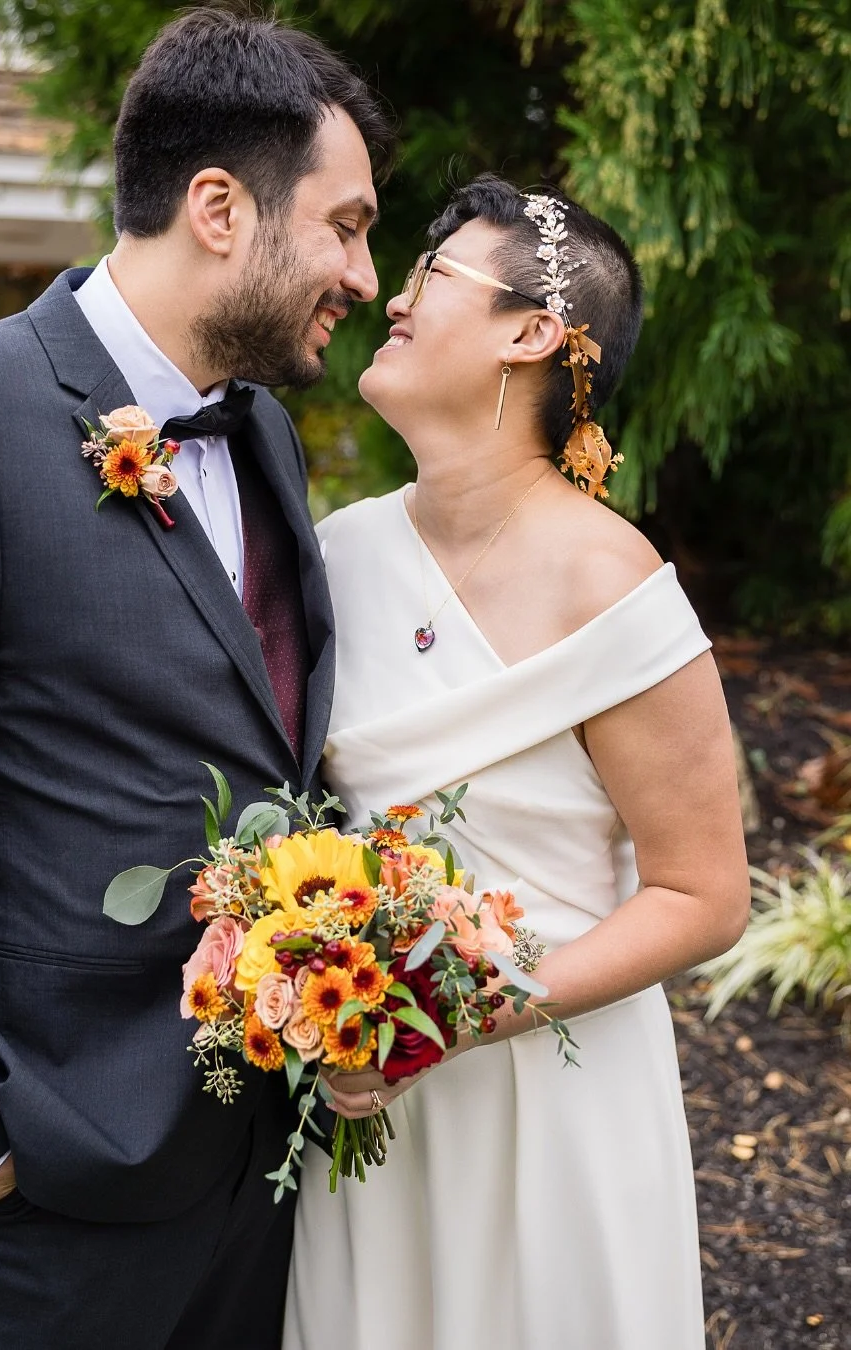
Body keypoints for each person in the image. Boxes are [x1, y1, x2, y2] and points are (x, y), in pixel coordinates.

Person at [0, 9, 390, 1348]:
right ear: (221, 207)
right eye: (345, 225)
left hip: (255, 1167)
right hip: (46, 1179)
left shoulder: (269, 435)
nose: (363, 270)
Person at [283, 174, 750, 1350]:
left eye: (432, 276)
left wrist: (462, 1011)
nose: (392, 297)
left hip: (552, 1101)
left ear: (532, 333)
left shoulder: (613, 583)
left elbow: (705, 894)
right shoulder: (337, 553)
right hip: (369, 1100)